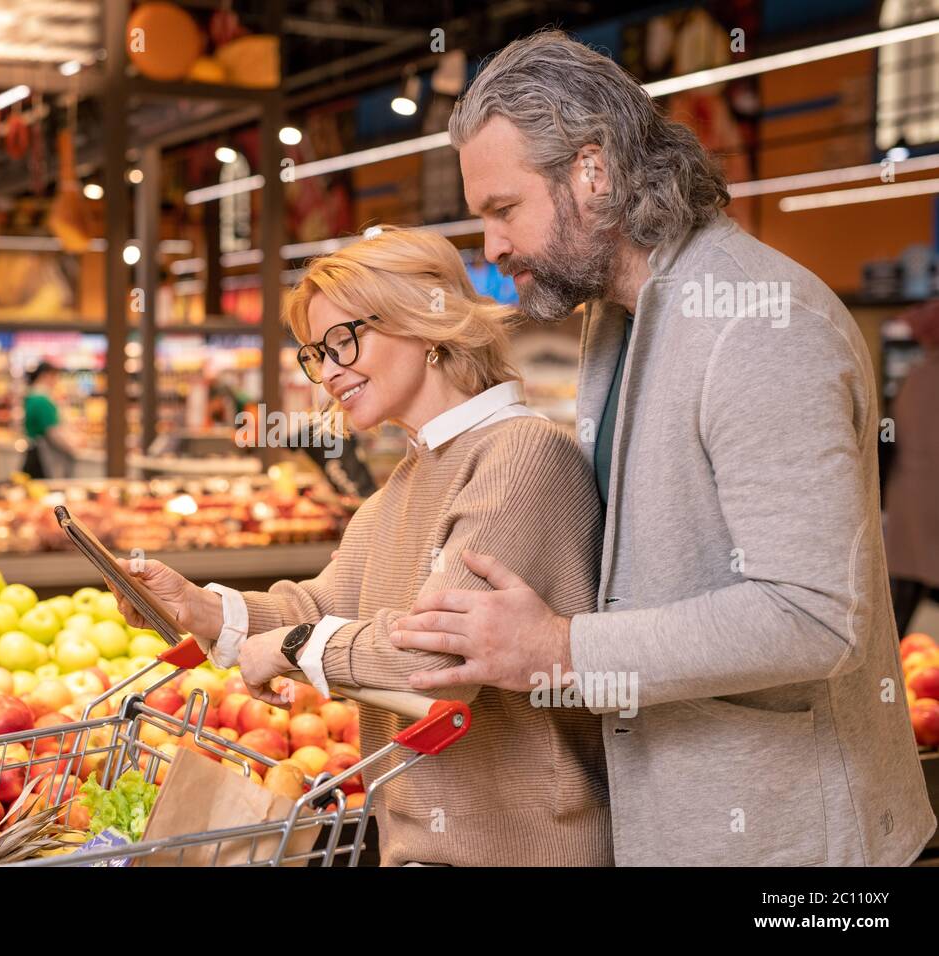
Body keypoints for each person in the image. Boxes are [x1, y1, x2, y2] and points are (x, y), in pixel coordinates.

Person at [386, 29, 935, 866]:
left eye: (504, 210)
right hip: (683, 821)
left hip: (795, 849)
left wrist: (560, 649)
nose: (491, 248)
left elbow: (814, 618)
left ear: (592, 172)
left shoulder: (755, 326)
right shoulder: (621, 319)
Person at [112, 226, 612, 866]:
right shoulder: (410, 476)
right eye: (315, 353)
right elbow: (325, 602)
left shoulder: (521, 457)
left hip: (524, 850)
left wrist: (293, 648)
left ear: (425, 321)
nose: (326, 371)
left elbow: (434, 665)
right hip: (421, 846)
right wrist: (200, 609)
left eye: (344, 339)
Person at [885, 300, 939, 633]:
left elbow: (889, 435)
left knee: (902, 602)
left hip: (908, 499)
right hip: (927, 498)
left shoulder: (914, 377)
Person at [22, 362, 78, 479]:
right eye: (55, 377)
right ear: (46, 376)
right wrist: (71, 446)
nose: (56, 381)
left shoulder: (31, 396)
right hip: (43, 457)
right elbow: (52, 432)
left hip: (35, 451)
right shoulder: (42, 400)